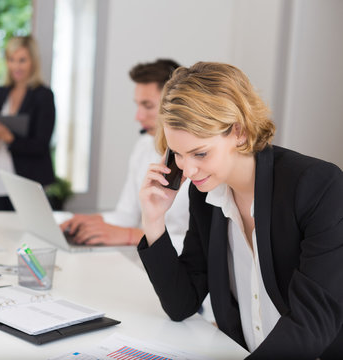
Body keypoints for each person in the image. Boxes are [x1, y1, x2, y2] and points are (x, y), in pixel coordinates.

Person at [139, 62, 343, 358]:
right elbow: (181, 304)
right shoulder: (206, 196)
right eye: (179, 155)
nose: (189, 169)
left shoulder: (317, 186)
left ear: (240, 131)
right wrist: (154, 219)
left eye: (200, 153)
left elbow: (312, 324)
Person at [60, 59, 189, 248]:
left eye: (148, 106)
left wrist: (131, 235)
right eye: (138, 105)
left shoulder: (197, 162)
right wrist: (88, 221)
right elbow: (126, 214)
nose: (138, 116)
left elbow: (196, 246)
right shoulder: (143, 146)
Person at [0, 35, 55, 211]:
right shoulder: (1, 93)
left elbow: (41, 145)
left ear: (33, 61)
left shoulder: (43, 95)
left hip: (25, 178)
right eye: (11, 60)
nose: (16, 66)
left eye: (22, 60)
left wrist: (8, 137)